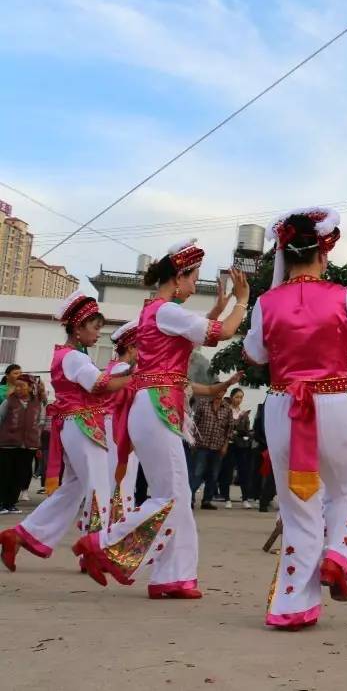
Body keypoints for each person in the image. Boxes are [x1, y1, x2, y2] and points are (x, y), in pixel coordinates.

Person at [243, 206, 347, 629]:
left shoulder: (267, 303)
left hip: (282, 404)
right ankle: (338, 555)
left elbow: (254, 354)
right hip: (332, 403)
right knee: (346, 489)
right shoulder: (343, 296)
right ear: (323, 255)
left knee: (297, 508)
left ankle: (292, 605)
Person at [76, 241, 247, 599]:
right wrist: (242, 301)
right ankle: (102, 543)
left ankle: (174, 575)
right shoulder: (165, 311)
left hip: (154, 405)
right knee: (169, 496)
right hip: (157, 406)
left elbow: (198, 331)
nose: (194, 284)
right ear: (179, 276)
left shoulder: (158, 311)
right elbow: (222, 333)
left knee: (177, 496)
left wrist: (221, 305)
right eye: (193, 277)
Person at [1, 293, 132, 578]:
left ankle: (21, 535)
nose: (98, 334)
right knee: (99, 488)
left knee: (73, 489)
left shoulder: (69, 355)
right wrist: (138, 375)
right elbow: (99, 384)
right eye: (95, 327)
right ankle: (96, 552)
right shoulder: (72, 356)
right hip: (84, 424)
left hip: (76, 425)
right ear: (77, 327)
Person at [104, 321, 141, 525]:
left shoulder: (114, 366)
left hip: (113, 424)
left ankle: (113, 520)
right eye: (139, 347)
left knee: (116, 473)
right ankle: (118, 522)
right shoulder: (124, 369)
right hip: (119, 425)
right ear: (130, 347)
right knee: (122, 474)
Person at [0, 376, 42, 514]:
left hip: (28, 446)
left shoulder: (38, 403)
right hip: (8, 444)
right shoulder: (9, 402)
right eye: (16, 386)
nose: (18, 388)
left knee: (20, 475)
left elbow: (39, 422)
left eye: (22, 386)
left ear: (30, 388)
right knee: (5, 474)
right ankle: (1, 503)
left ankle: (10, 503)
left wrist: (37, 441)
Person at [189, 393, 235, 511]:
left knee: (213, 475)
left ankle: (207, 500)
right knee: (197, 473)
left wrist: (225, 446)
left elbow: (229, 430)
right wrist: (192, 441)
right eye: (217, 390)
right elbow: (194, 424)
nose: (219, 393)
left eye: (222, 390)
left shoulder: (227, 409)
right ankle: (190, 499)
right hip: (201, 445)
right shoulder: (203, 405)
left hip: (217, 446)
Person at [229, 404, 256, 508]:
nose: (238, 400)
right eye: (236, 397)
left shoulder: (244, 414)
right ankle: (227, 498)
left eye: (240, 397)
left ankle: (245, 498)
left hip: (242, 446)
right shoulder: (228, 411)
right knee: (228, 472)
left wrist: (240, 431)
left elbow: (247, 430)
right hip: (230, 445)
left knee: (243, 472)